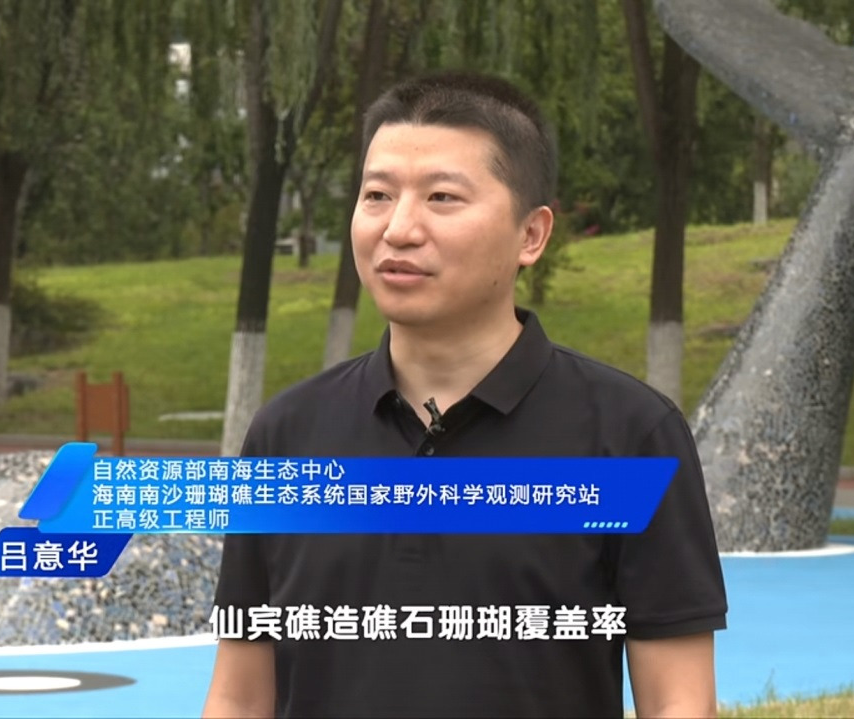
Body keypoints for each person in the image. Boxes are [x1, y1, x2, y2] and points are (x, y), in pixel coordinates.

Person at [202, 71, 727, 719]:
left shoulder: (630, 437)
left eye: (442, 197)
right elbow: (239, 696)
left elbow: (679, 701)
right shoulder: (286, 435)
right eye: (377, 195)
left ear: (531, 235)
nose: (399, 228)